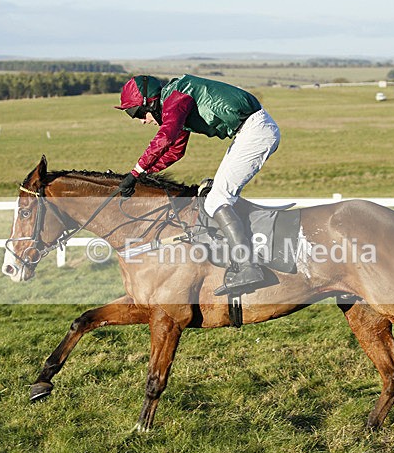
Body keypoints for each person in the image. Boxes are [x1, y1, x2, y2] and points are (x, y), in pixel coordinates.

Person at [114, 74, 281, 296]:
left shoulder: (177, 99)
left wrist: (137, 170)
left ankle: (248, 266)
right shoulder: (175, 104)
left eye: (137, 113)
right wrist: (139, 176)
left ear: (150, 102)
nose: (142, 121)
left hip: (256, 132)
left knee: (217, 200)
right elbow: (175, 150)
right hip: (247, 133)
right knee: (213, 196)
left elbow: (166, 137)